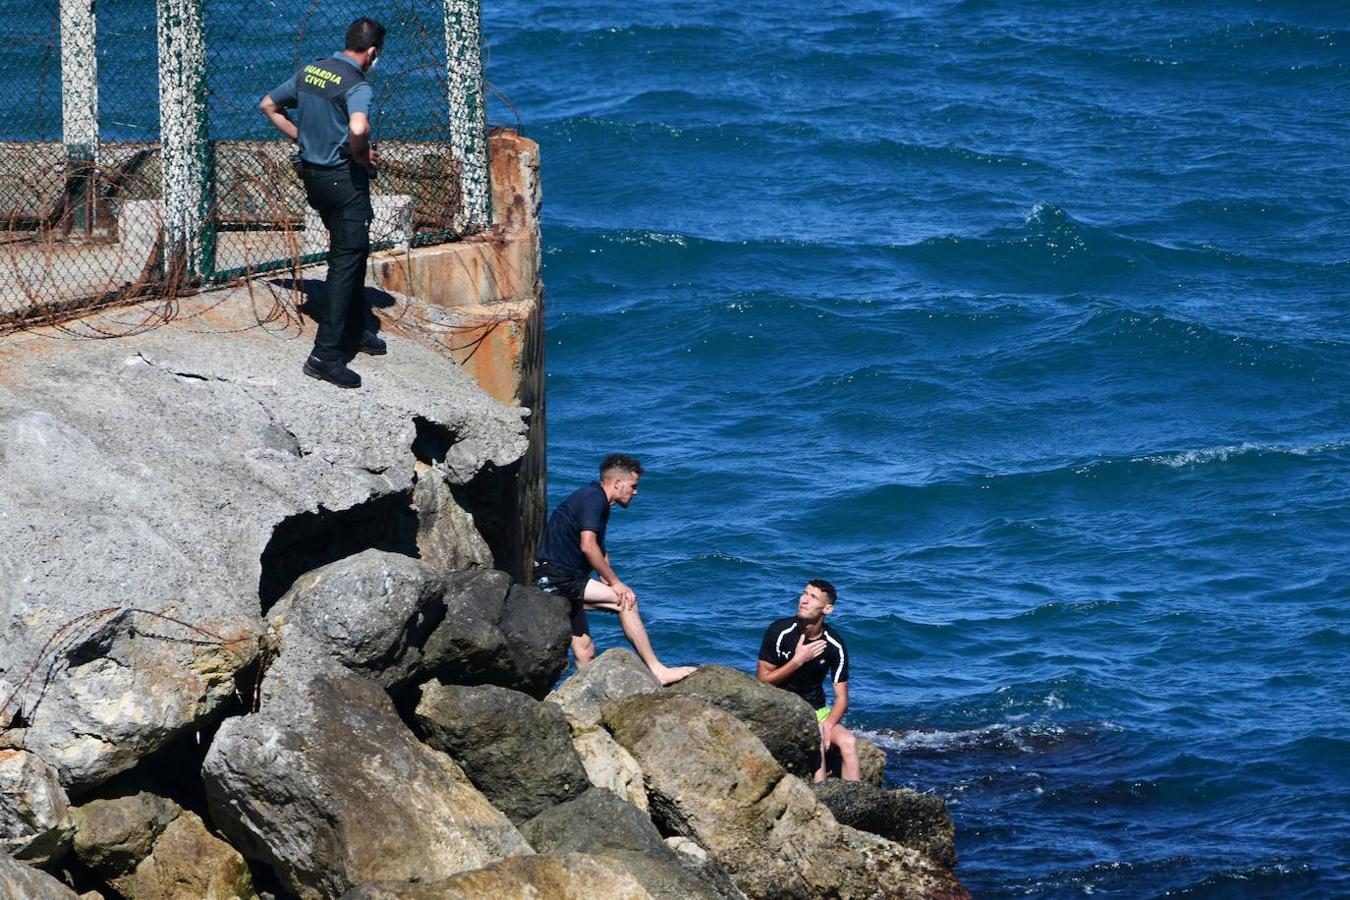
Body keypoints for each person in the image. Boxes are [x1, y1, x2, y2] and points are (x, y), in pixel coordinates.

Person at [260, 17, 388, 389]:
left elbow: (268, 105)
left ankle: (352, 329)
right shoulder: (357, 85)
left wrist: (304, 138)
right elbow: (359, 128)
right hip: (343, 182)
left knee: (353, 252)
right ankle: (325, 356)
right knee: (345, 265)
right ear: (373, 52)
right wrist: (361, 156)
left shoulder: (311, 72)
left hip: (314, 178)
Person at [534, 454, 696, 686]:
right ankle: (657, 669)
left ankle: (586, 700)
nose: (636, 491)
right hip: (558, 577)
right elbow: (587, 546)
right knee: (625, 602)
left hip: (561, 578)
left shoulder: (597, 501)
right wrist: (616, 584)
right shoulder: (594, 499)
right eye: (633, 486)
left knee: (585, 652)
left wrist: (606, 578)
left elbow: (599, 551)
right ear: (617, 483)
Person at [757, 579, 859, 782]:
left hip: (817, 711)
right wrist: (797, 660)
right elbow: (762, 680)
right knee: (817, 738)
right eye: (804, 594)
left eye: (813, 597)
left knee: (849, 742)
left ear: (827, 608)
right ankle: (819, 797)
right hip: (781, 707)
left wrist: (829, 725)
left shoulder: (834, 645)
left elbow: (841, 699)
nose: (804, 600)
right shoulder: (780, 631)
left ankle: (856, 798)